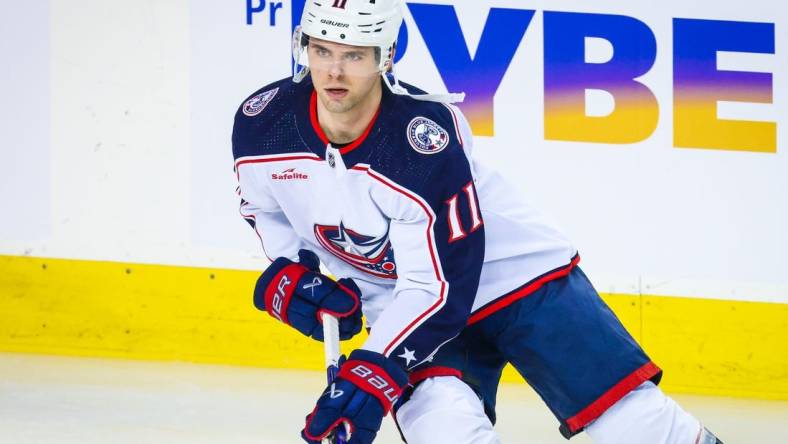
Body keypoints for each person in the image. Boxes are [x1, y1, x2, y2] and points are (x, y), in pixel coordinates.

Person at [232, 1, 723, 443]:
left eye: (355, 55)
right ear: (303, 49)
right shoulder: (262, 124)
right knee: (443, 432)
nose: (334, 71)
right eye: (322, 51)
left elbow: (438, 285)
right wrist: (293, 267)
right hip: (407, 305)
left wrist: (373, 370)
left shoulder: (420, 138)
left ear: (386, 57)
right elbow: (266, 211)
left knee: (635, 426)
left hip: (519, 281)